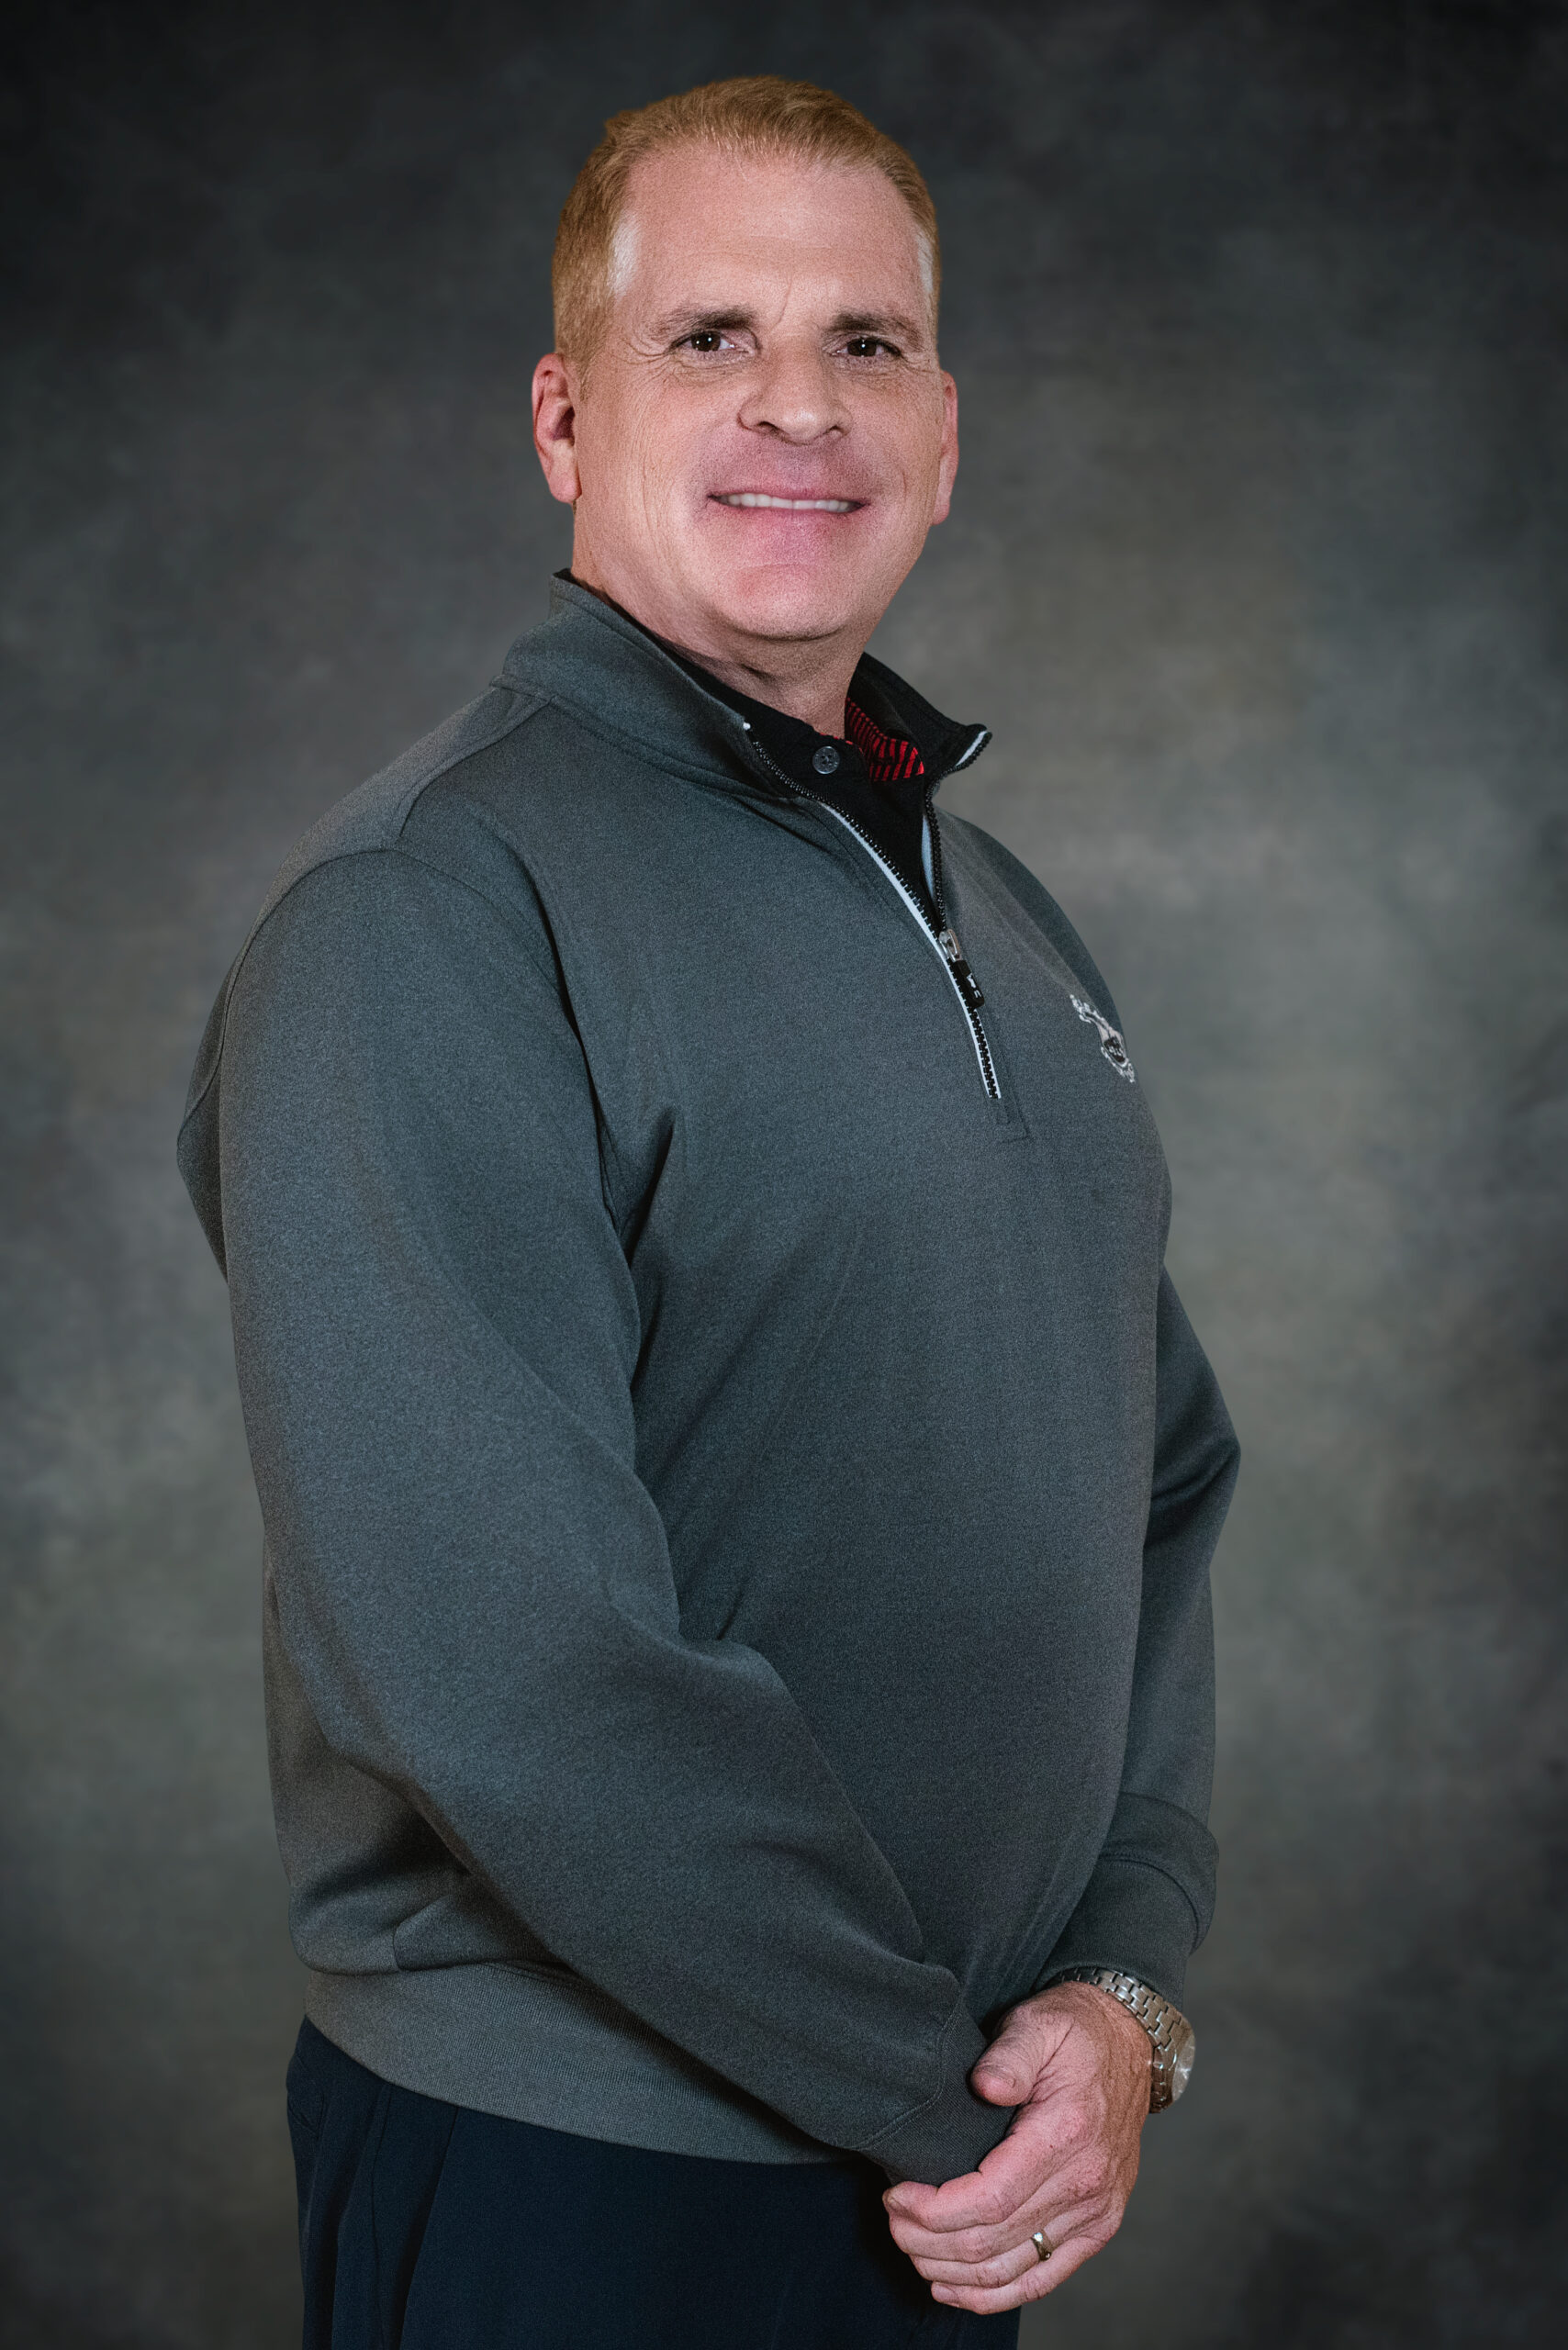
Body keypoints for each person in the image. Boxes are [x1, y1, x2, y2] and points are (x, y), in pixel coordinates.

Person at [178, 74, 1238, 2350]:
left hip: (965, 2163)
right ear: (563, 420)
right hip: (586, 2177)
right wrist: (943, 2089)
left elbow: (1151, 1481)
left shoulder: (1005, 916)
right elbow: (503, 1668)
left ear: (942, 433)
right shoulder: (427, 913)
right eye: (708, 337)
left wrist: (1114, 1989)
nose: (798, 404)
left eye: (865, 343)